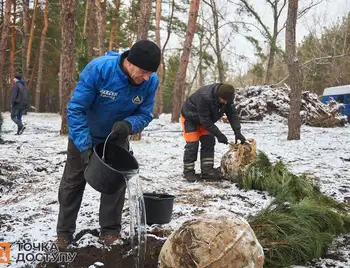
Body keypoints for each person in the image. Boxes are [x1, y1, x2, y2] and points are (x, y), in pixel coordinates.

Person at [56, 40, 161, 248]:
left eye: (151, 72)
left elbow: (145, 114)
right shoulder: (99, 69)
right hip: (84, 134)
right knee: (73, 183)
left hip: (115, 137)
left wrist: (129, 125)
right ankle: (64, 233)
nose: (147, 77)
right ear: (130, 63)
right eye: (144, 71)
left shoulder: (150, 81)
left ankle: (110, 232)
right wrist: (84, 145)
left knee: (116, 182)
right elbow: (76, 109)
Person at [180, 83, 246, 182]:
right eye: (224, 100)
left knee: (209, 141)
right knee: (192, 144)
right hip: (190, 117)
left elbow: (232, 115)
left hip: (205, 119)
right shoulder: (204, 97)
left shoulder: (227, 99)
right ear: (218, 96)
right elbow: (205, 120)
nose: (225, 103)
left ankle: (207, 171)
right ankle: (188, 172)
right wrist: (219, 135)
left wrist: (237, 132)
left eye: (227, 101)